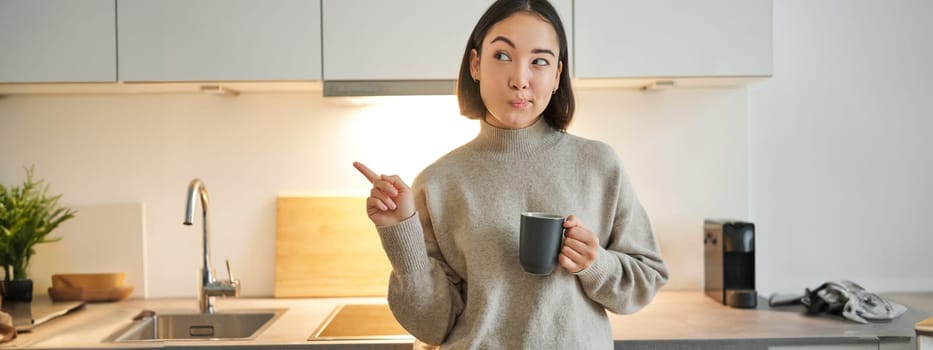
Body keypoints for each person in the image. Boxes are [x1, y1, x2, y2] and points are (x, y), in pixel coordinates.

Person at [353, 0, 669, 348]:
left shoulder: (600, 165)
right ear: (475, 64)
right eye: (502, 56)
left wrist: (595, 264)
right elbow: (432, 326)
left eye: (539, 61)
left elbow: (647, 278)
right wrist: (400, 234)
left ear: (557, 75)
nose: (520, 80)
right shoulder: (438, 182)